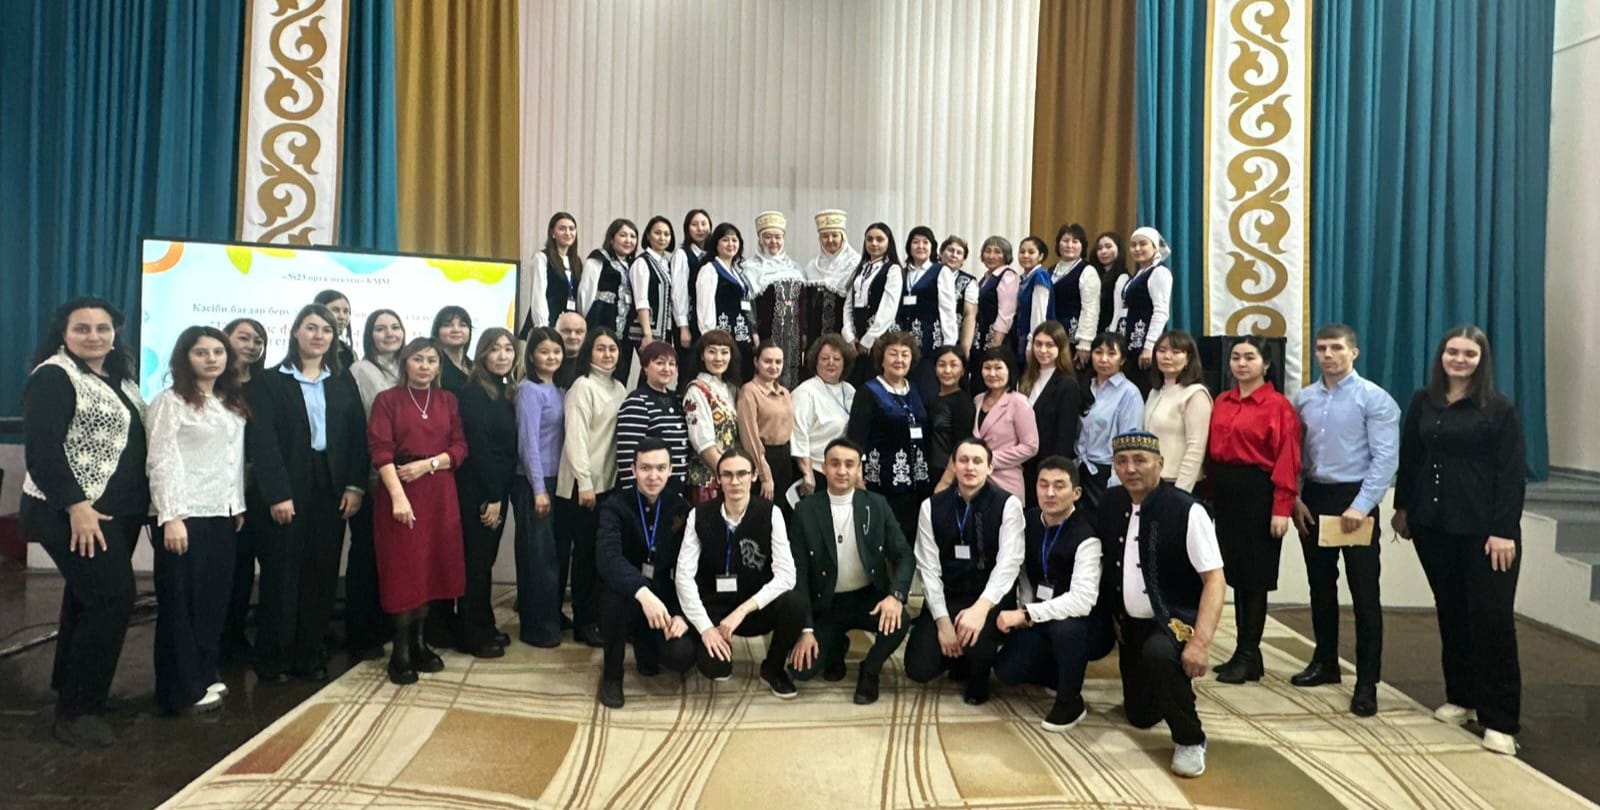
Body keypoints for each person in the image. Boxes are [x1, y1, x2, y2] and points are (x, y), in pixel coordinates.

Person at [1393, 325, 1526, 755]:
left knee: (1492, 620)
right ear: (1442, 356)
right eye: (1453, 351)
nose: (1459, 360)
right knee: (1451, 612)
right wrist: (1402, 507)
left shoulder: (1498, 408)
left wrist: (1503, 530)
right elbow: (1411, 457)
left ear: (1481, 360)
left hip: (1485, 532)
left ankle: (1500, 720)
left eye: (1469, 354)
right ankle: (1462, 697)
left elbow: (1511, 474)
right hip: (1433, 526)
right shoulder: (1423, 401)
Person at [21, 298, 149, 747]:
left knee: (85, 599)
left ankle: (72, 688)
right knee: (112, 599)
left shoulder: (120, 377)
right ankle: (78, 712)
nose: (94, 336)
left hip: (117, 513)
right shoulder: (54, 376)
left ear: (115, 333)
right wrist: (76, 505)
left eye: (103, 328)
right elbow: (42, 452)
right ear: (64, 333)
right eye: (82, 328)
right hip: (73, 512)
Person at [1089, 431, 1226, 778]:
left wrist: (1200, 642)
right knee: (1140, 715)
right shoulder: (1110, 502)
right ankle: (1169, 687)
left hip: (1174, 617)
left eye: (1140, 460)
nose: (1130, 469)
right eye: (1122, 461)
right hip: (1129, 623)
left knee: (1160, 654)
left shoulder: (1187, 509)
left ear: (1160, 463)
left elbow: (1215, 579)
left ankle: (1191, 739)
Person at [245, 304, 367, 683]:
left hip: (331, 486)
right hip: (287, 486)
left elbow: (356, 437)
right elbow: (263, 442)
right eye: (311, 328)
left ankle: (310, 655)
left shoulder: (342, 381)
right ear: (295, 331)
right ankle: (274, 660)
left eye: (326, 330)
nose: (318, 336)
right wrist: (277, 494)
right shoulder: (269, 382)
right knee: (283, 573)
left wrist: (355, 485)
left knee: (321, 572)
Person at [1290, 324, 1400, 717]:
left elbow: (1386, 458)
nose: (1328, 355)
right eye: (1321, 348)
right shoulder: (1303, 398)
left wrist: (1362, 505)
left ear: (1354, 352)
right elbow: (1296, 454)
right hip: (1315, 498)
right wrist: (1296, 498)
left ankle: (1367, 682)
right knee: (1320, 586)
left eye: (1336, 348)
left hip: (1355, 499)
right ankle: (1325, 662)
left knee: (1364, 595)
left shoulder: (1374, 398)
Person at [147, 327, 249, 716]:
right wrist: (171, 516)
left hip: (220, 513)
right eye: (201, 352)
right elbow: (161, 461)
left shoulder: (227, 401)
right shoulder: (170, 402)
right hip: (184, 515)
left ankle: (203, 674)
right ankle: (180, 690)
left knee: (211, 602)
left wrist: (236, 504)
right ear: (184, 358)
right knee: (181, 605)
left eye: (218, 352)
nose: (211, 359)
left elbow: (231, 458)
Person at [367, 338, 468, 684]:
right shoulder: (387, 400)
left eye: (431, 360)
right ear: (405, 362)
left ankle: (420, 642)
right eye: (418, 359)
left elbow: (460, 447)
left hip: (439, 492)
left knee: (431, 569)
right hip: (400, 491)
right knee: (403, 570)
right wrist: (398, 496)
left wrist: (429, 465)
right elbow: (380, 451)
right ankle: (400, 651)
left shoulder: (448, 400)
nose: (425, 366)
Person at [671, 448, 807, 697]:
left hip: (752, 608)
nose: (735, 481)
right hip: (714, 608)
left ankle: (774, 668)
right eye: (727, 475)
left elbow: (786, 575)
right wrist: (705, 628)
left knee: (794, 603)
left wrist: (742, 611)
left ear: (753, 476)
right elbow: (684, 577)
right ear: (718, 478)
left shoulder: (771, 513)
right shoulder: (699, 515)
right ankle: (718, 646)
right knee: (715, 668)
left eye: (741, 474)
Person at [1206, 335, 1301, 685]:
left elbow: (1288, 459)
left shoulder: (1278, 406)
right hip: (1226, 495)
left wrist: (1282, 507)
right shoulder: (1222, 400)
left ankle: (1247, 653)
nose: (1241, 363)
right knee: (1236, 576)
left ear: (1266, 364)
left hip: (1258, 495)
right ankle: (1247, 652)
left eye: (1250, 357)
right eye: (1236, 357)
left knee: (1255, 578)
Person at [787, 439, 913, 704]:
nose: (842, 471)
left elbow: (904, 555)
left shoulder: (877, 505)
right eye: (835, 464)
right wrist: (806, 629)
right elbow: (799, 573)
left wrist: (896, 596)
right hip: (827, 602)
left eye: (849, 464)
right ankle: (836, 647)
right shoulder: (805, 510)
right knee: (801, 671)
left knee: (899, 619)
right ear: (824, 468)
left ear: (859, 470)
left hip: (868, 598)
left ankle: (870, 670)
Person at [906, 438, 1024, 705]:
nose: (970, 467)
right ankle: (957, 656)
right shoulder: (931, 506)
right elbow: (928, 568)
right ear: (954, 466)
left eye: (977, 461)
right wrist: (943, 622)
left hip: (990, 599)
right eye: (963, 460)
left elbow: (1009, 563)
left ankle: (976, 667)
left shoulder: (1008, 505)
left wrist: (980, 610)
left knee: (979, 650)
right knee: (918, 668)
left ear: (990, 467)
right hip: (950, 595)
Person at [993, 457, 1101, 731]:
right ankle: (1059, 671)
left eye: (1059, 486)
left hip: (1082, 622)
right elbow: (1024, 573)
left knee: (1067, 630)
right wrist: (1027, 607)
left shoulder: (1087, 534)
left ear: (1076, 492)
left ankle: (1070, 700)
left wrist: (1027, 613)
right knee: (1007, 671)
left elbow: (1083, 600)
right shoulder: (1029, 521)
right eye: (1043, 485)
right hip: (1040, 615)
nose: (1050, 493)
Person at [594, 438, 696, 708]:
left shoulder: (681, 508)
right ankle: (612, 675)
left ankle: (645, 644)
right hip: (626, 592)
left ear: (671, 469)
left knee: (681, 655)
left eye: (661, 468)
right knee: (612, 599)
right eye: (646, 468)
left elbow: (690, 566)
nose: (653, 476)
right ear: (633, 470)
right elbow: (608, 558)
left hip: (662, 593)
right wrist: (641, 591)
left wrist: (681, 614)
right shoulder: (615, 506)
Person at [343, 309, 407, 661]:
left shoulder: (408, 368)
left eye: (395, 327)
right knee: (366, 553)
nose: (389, 334)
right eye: (380, 328)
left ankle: (388, 626)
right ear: (369, 335)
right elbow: (356, 427)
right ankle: (362, 634)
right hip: (372, 475)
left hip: (406, 475)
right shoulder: (359, 370)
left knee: (392, 556)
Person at [559, 328, 630, 646]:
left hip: (609, 485)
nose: (607, 354)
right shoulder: (583, 387)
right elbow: (575, 438)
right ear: (589, 352)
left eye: (612, 349)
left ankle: (601, 617)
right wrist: (584, 482)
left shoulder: (619, 388)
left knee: (603, 555)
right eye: (600, 348)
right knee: (585, 557)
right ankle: (583, 622)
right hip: (584, 487)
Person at [454, 328, 520, 658]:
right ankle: (472, 634)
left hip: (498, 488)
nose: (503, 355)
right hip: (480, 490)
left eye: (508, 349)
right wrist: (493, 496)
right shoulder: (473, 392)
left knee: (485, 561)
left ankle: (484, 624)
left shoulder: (503, 390)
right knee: (476, 564)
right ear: (482, 354)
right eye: (495, 349)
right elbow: (479, 447)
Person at [846, 331, 933, 536]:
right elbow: (856, 437)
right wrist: (857, 475)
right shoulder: (868, 391)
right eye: (893, 354)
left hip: (916, 482)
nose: (899, 360)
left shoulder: (915, 389)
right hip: (881, 481)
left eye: (905, 354)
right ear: (882, 359)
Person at [512, 327, 567, 647]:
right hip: (534, 482)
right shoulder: (528, 390)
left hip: (555, 480)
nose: (551, 357)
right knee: (538, 558)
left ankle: (550, 618)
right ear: (531, 355)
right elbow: (528, 443)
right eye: (544, 352)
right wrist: (538, 489)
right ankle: (537, 628)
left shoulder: (557, 389)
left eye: (556, 351)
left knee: (551, 556)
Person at [220, 317, 267, 663]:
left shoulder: (266, 385)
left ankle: (236, 636)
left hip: (258, 491)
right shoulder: (211, 384)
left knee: (246, 567)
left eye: (258, 341)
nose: (251, 345)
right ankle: (219, 639)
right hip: (219, 490)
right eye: (244, 338)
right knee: (226, 567)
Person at [896, 227, 976, 398]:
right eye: (915, 242)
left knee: (927, 391)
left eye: (925, 242)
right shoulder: (903, 272)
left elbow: (948, 310)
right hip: (906, 344)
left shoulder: (940, 271)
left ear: (932, 247)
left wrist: (948, 345)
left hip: (931, 344)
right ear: (909, 246)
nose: (920, 246)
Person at [1075, 332, 1145, 524]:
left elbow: (1128, 440)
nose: (1103, 359)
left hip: (1106, 473)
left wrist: (1116, 480)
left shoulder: (1129, 393)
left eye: (1111, 354)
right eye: (1098, 352)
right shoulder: (1085, 386)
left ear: (1122, 360)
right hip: (1081, 469)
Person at [1019, 321, 1084, 506]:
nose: (1043, 350)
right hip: (1024, 464)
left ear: (1060, 348)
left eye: (1049, 345)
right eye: (1038, 344)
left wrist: (1054, 471)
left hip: (1047, 466)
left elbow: (1065, 434)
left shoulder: (1067, 384)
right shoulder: (1027, 377)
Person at [748, 210, 812, 390]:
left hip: (793, 337)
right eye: (768, 237)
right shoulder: (750, 268)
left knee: (793, 375)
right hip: (766, 333)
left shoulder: (795, 268)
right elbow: (749, 306)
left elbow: (803, 304)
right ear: (760, 239)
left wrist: (804, 332)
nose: (773, 241)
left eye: (777, 237)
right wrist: (754, 334)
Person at [615, 341, 691, 491]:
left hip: (677, 490)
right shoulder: (637, 401)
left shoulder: (677, 399)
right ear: (645, 367)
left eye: (671, 364)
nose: (666, 369)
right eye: (659, 363)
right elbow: (628, 456)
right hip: (650, 490)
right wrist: (636, 496)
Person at [1143, 330, 1212, 493]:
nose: (1167, 356)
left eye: (1176, 352)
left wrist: (1180, 493)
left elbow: (1195, 448)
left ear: (1188, 358)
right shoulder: (1155, 392)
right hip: (1151, 480)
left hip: (1178, 483)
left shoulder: (1195, 394)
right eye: (1162, 350)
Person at [789, 334, 857, 495]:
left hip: (844, 471)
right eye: (824, 358)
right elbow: (798, 435)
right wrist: (807, 473)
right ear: (816, 362)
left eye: (837, 359)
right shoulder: (805, 392)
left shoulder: (849, 390)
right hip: (816, 471)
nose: (831, 363)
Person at [682, 330, 743, 504]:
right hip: (707, 480)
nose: (718, 358)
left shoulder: (732, 389)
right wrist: (725, 475)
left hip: (731, 477)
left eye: (724, 352)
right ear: (702, 355)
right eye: (712, 352)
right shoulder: (696, 390)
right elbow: (702, 443)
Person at [972, 349, 1039, 502]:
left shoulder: (1019, 402)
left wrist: (988, 460)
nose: (992, 373)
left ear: (1010, 370)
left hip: (1006, 482)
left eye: (998, 368)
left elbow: (1030, 446)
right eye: (987, 368)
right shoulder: (977, 400)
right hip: (976, 482)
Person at [841, 222, 904, 385]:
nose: (874, 243)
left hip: (881, 338)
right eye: (869, 239)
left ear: (889, 242)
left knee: (879, 383)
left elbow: (889, 307)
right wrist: (848, 334)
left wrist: (869, 339)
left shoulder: (893, 270)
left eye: (879, 239)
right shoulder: (860, 269)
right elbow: (848, 304)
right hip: (857, 339)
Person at [695, 222, 759, 381]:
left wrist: (754, 333)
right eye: (725, 240)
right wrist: (710, 338)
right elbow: (705, 307)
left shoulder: (738, 272)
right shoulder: (709, 270)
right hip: (723, 339)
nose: (731, 244)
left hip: (743, 338)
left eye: (734, 240)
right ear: (716, 244)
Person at [581, 218, 642, 383]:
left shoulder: (634, 264)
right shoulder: (598, 258)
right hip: (601, 321)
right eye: (623, 235)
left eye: (632, 236)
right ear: (611, 238)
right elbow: (586, 292)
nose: (628, 240)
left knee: (621, 371)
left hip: (625, 329)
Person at [1113, 226, 1173, 391]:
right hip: (1131, 341)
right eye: (1133, 245)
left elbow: (1161, 312)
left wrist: (1149, 346)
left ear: (1154, 247)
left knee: (1145, 386)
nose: (1137, 248)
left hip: (1145, 341)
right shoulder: (1139, 274)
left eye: (1142, 244)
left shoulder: (1159, 272)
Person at [737, 342, 796, 510]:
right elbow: (749, 436)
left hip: (784, 457)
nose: (773, 366)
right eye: (768, 361)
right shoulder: (749, 391)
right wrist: (764, 475)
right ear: (756, 362)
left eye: (778, 362)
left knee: (781, 512)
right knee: (762, 511)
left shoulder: (785, 392)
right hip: (763, 458)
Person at [1046, 224, 1099, 369]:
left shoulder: (1087, 271)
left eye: (1075, 241)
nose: (1069, 245)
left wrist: (1085, 343)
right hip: (1051, 335)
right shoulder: (1050, 270)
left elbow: (1091, 309)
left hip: (1073, 337)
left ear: (1082, 246)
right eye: (1065, 241)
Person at [971, 236, 1021, 391]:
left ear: (1006, 255)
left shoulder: (1008, 276)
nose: (991, 255)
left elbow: (1006, 313)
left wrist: (995, 345)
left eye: (997, 252)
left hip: (997, 339)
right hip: (981, 338)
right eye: (988, 251)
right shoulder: (986, 277)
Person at [522, 211, 583, 335]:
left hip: (568, 325)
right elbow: (538, 295)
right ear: (552, 233)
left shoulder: (576, 261)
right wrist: (543, 327)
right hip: (547, 322)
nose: (568, 233)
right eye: (562, 229)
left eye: (571, 229)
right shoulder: (542, 258)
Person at [801, 209, 860, 338]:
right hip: (815, 336)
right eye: (825, 236)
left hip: (844, 335)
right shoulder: (812, 266)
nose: (830, 240)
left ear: (842, 237)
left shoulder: (856, 264)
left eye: (835, 235)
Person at [927, 346, 975, 491]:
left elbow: (961, 444)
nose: (947, 370)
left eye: (953, 365)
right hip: (926, 470)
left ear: (963, 371)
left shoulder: (962, 402)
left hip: (947, 474)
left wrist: (946, 480)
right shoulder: (931, 399)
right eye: (942, 365)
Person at [671, 208, 713, 372]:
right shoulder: (682, 255)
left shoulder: (712, 255)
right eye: (695, 225)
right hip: (688, 321)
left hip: (706, 320)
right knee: (688, 369)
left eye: (704, 224)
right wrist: (683, 327)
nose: (700, 228)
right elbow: (678, 292)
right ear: (687, 229)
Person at [630, 215, 679, 349]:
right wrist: (647, 334)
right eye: (657, 233)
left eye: (666, 234)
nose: (662, 238)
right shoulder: (642, 262)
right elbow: (641, 300)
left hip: (665, 329)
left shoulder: (667, 263)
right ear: (648, 236)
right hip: (648, 330)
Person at [1011, 235, 1053, 356]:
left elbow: (1039, 314)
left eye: (1031, 252)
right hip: (1021, 337)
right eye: (1022, 252)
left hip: (1034, 339)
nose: (1025, 256)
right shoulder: (1023, 278)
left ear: (1041, 256)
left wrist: (1034, 342)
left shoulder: (1040, 276)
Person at [431, 305, 474, 393]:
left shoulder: (475, 367)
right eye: (447, 325)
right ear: (437, 332)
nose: (456, 330)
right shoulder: (433, 366)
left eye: (462, 325)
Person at [1092, 231, 1127, 336]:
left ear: (1118, 249)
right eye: (1099, 248)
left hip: (1110, 333)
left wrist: (1111, 332)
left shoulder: (1122, 277)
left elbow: (1118, 312)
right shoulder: (1093, 275)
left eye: (1108, 247)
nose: (1103, 251)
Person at [313, 289, 355, 370]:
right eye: (335, 310)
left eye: (346, 311)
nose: (342, 317)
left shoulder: (349, 352)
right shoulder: (308, 349)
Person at [553, 311, 587, 390]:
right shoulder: (542, 365)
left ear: (586, 335)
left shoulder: (593, 367)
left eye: (579, 332)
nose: (572, 337)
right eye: (566, 331)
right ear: (555, 331)